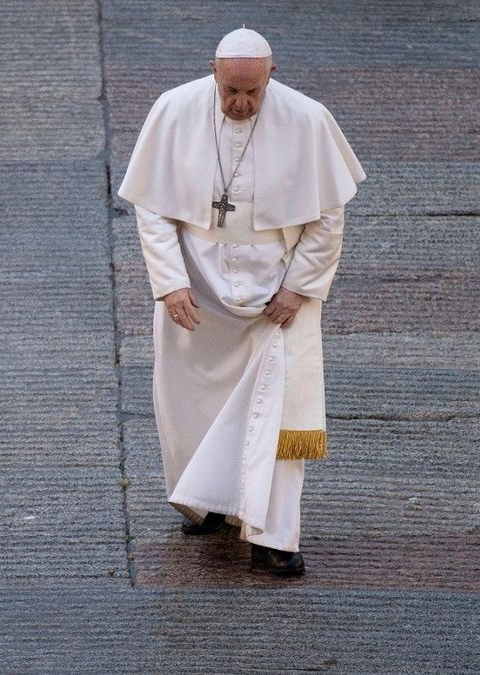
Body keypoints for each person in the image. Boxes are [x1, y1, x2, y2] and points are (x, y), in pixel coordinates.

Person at [117, 27, 366, 576]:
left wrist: (299, 286)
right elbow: (153, 209)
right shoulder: (174, 110)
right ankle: (206, 500)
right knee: (190, 404)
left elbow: (328, 217)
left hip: (277, 292)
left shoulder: (307, 119)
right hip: (197, 287)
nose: (240, 103)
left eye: (251, 92)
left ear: (270, 76)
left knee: (279, 413)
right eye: (230, 90)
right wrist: (170, 280)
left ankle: (274, 535)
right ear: (214, 72)